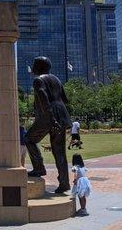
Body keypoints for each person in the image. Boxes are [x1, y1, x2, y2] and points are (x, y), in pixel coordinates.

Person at [25, 56, 72, 194]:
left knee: (28, 139)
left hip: (49, 117)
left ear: (39, 67)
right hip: (61, 114)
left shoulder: (38, 80)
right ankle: (64, 183)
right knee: (59, 152)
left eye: (34, 64)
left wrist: (52, 120)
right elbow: (65, 99)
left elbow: (44, 101)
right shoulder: (56, 79)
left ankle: (39, 167)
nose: (32, 67)